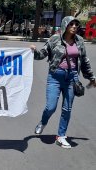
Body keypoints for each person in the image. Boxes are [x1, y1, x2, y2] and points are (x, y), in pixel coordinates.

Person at [30, 16, 96, 149]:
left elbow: (84, 61)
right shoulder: (54, 39)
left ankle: (61, 136)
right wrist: (34, 51)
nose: (74, 26)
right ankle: (43, 122)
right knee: (51, 107)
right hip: (55, 77)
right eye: (71, 24)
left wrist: (91, 77)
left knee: (67, 109)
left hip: (72, 79)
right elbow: (43, 53)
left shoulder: (80, 41)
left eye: (76, 24)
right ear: (65, 24)